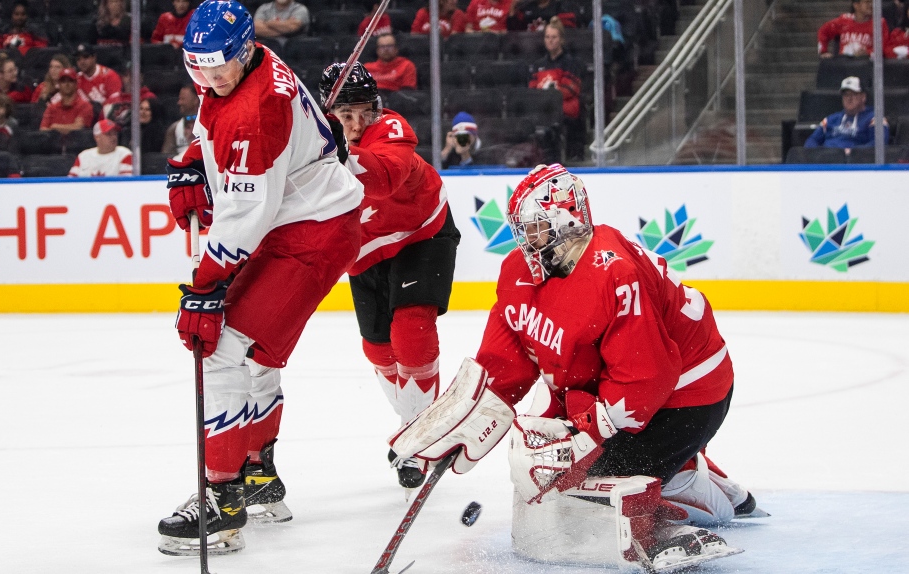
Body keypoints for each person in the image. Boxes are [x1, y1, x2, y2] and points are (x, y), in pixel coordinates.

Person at [391, 164, 760, 572]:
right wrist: (469, 410)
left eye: (532, 227)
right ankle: (680, 466)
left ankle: (692, 485)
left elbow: (646, 379)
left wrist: (581, 440)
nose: (523, 240)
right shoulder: (519, 272)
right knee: (546, 470)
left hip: (689, 393)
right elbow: (507, 360)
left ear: (564, 220)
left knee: (586, 477)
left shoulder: (614, 272)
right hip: (623, 385)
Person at [156, 0, 362, 556]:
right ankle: (257, 476)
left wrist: (205, 287)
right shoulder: (239, 70)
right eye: (197, 66)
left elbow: (248, 214)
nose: (209, 77)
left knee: (221, 343)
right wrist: (194, 162)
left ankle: (221, 504)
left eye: (219, 66)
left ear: (244, 52)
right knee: (258, 354)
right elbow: (213, 128)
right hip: (306, 221)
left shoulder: (256, 108)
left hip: (306, 234)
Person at [319, 61, 459, 491]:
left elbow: (382, 178)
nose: (359, 124)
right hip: (364, 253)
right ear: (326, 117)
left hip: (422, 233)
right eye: (346, 116)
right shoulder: (306, 153)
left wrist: (336, 150)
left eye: (366, 111)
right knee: (378, 349)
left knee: (411, 332)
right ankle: (416, 421)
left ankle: (417, 440)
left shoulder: (393, 129)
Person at [530, 17, 585, 159]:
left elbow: (569, 90)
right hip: (542, 110)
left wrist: (546, 98)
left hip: (562, 111)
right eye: (547, 37)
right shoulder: (538, 64)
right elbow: (531, 90)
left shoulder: (571, 63)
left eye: (554, 37)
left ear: (561, 39)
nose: (550, 40)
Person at [804, 76, 889, 148]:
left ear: (863, 97)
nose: (849, 98)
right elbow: (811, 140)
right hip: (828, 162)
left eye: (853, 94)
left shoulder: (874, 119)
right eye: (846, 95)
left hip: (854, 164)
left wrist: (852, 154)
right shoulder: (831, 119)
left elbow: (878, 145)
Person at [818, 0, 888, 57]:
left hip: (867, 66)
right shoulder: (844, 20)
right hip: (844, 66)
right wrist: (823, 52)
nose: (871, 5)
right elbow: (823, 31)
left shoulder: (879, 23)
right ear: (856, 5)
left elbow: (884, 48)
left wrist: (868, 52)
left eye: (872, 2)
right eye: (867, 2)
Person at [68, 119, 132, 176]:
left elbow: (125, 183)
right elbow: (70, 182)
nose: (113, 137)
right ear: (97, 137)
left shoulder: (124, 154)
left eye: (115, 133)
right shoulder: (83, 156)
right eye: (108, 134)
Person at [40, 67, 95, 134]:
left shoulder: (85, 106)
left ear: (76, 84)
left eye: (70, 81)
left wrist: (55, 127)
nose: (67, 84)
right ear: (59, 85)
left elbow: (78, 128)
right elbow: (43, 129)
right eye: (63, 81)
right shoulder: (51, 108)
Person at [162, 84, 200, 159]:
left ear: (196, 100)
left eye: (183, 99)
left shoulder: (208, 126)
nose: (179, 103)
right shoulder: (174, 128)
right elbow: (164, 158)